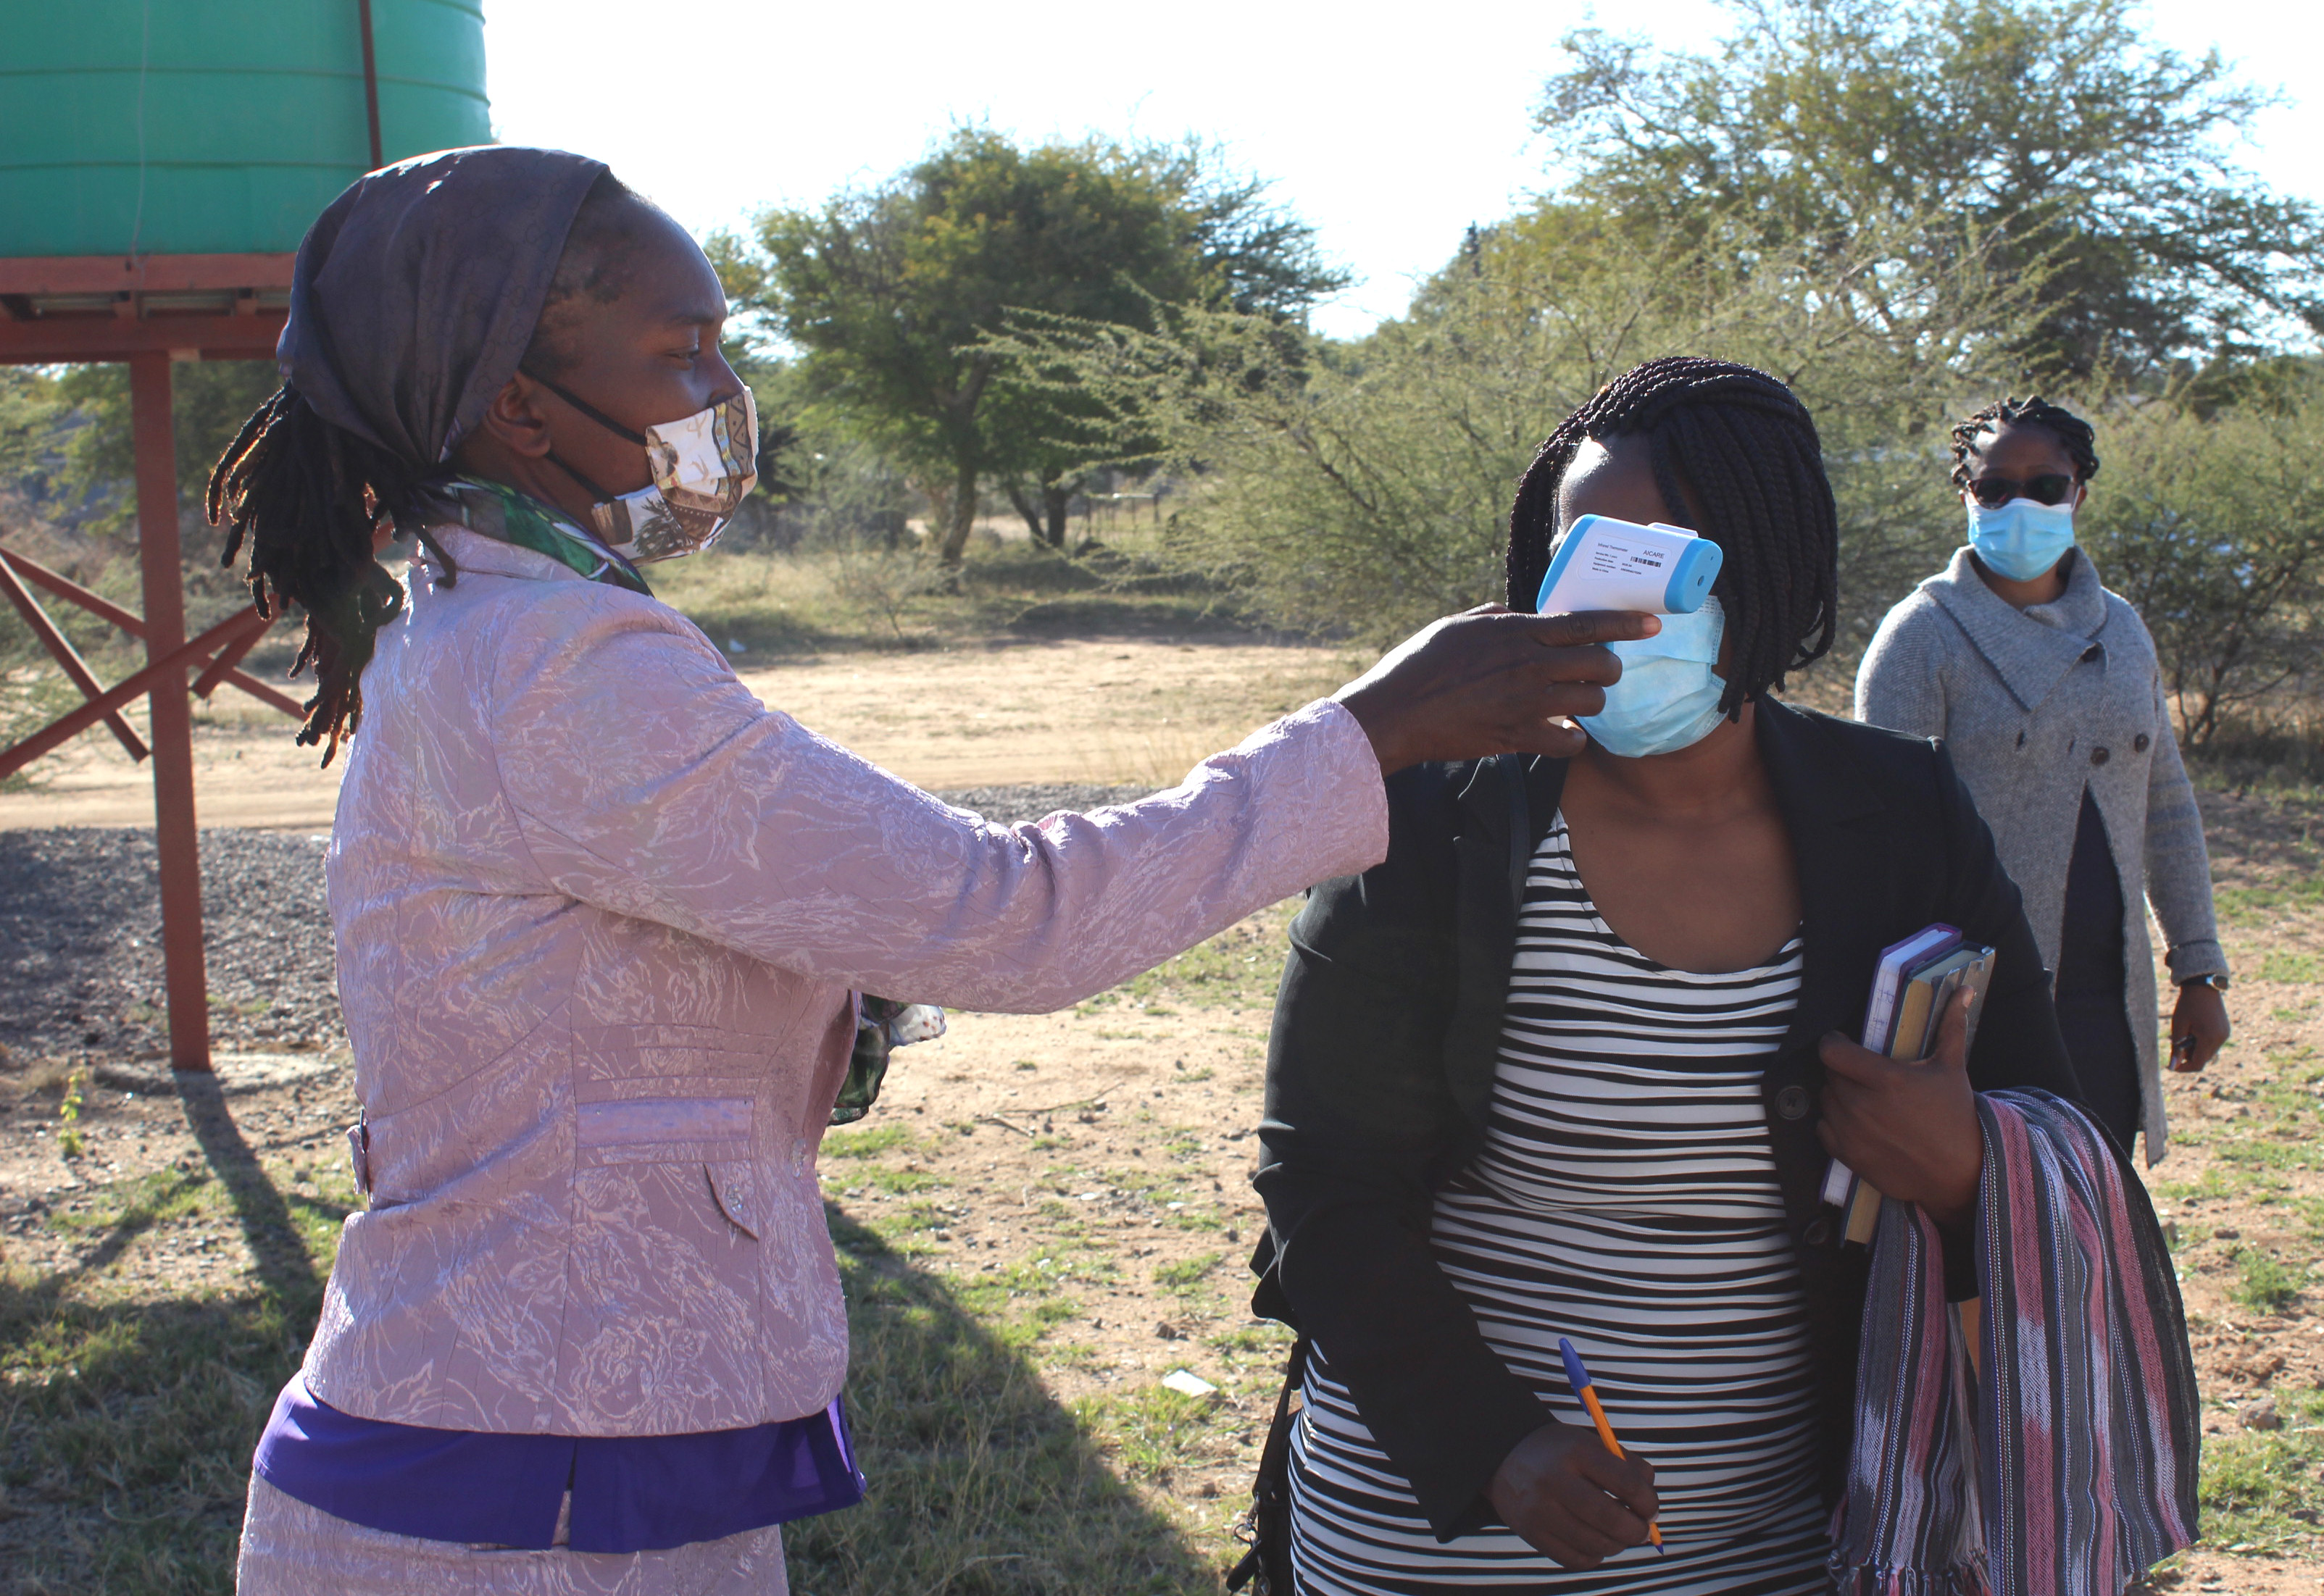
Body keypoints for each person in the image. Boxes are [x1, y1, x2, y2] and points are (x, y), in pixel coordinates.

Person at [211, 146, 1654, 1595]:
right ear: (518, 405)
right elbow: (1011, 918)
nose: (723, 395)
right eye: (680, 349)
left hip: (557, 1458)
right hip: (522, 1499)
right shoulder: (558, 667)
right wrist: (1374, 730)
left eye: (724, 342)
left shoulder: (499, 626)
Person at [1247, 358, 2170, 1596]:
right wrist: (1495, 1444)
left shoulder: (1900, 816)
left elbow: (2048, 1118)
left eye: (1663, 560)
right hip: (1451, 1526)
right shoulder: (1434, 817)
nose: (1620, 605)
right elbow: (1320, 1176)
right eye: (1586, 558)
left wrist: (1959, 1162)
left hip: (1793, 1531)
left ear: (1767, 566)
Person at [1855, 396, 2231, 1164]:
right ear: (1966, 494)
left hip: (2107, 1008)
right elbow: (1879, 847)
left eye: (2045, 486)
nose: (2017, 506)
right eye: (1994, 488)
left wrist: (2199, 966)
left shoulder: (2122, 630)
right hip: (1970, 1015)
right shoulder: (1922, 638)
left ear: (2079, 494)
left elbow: (2165, 803)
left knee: (2092, 1223)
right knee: (1988, 1244)